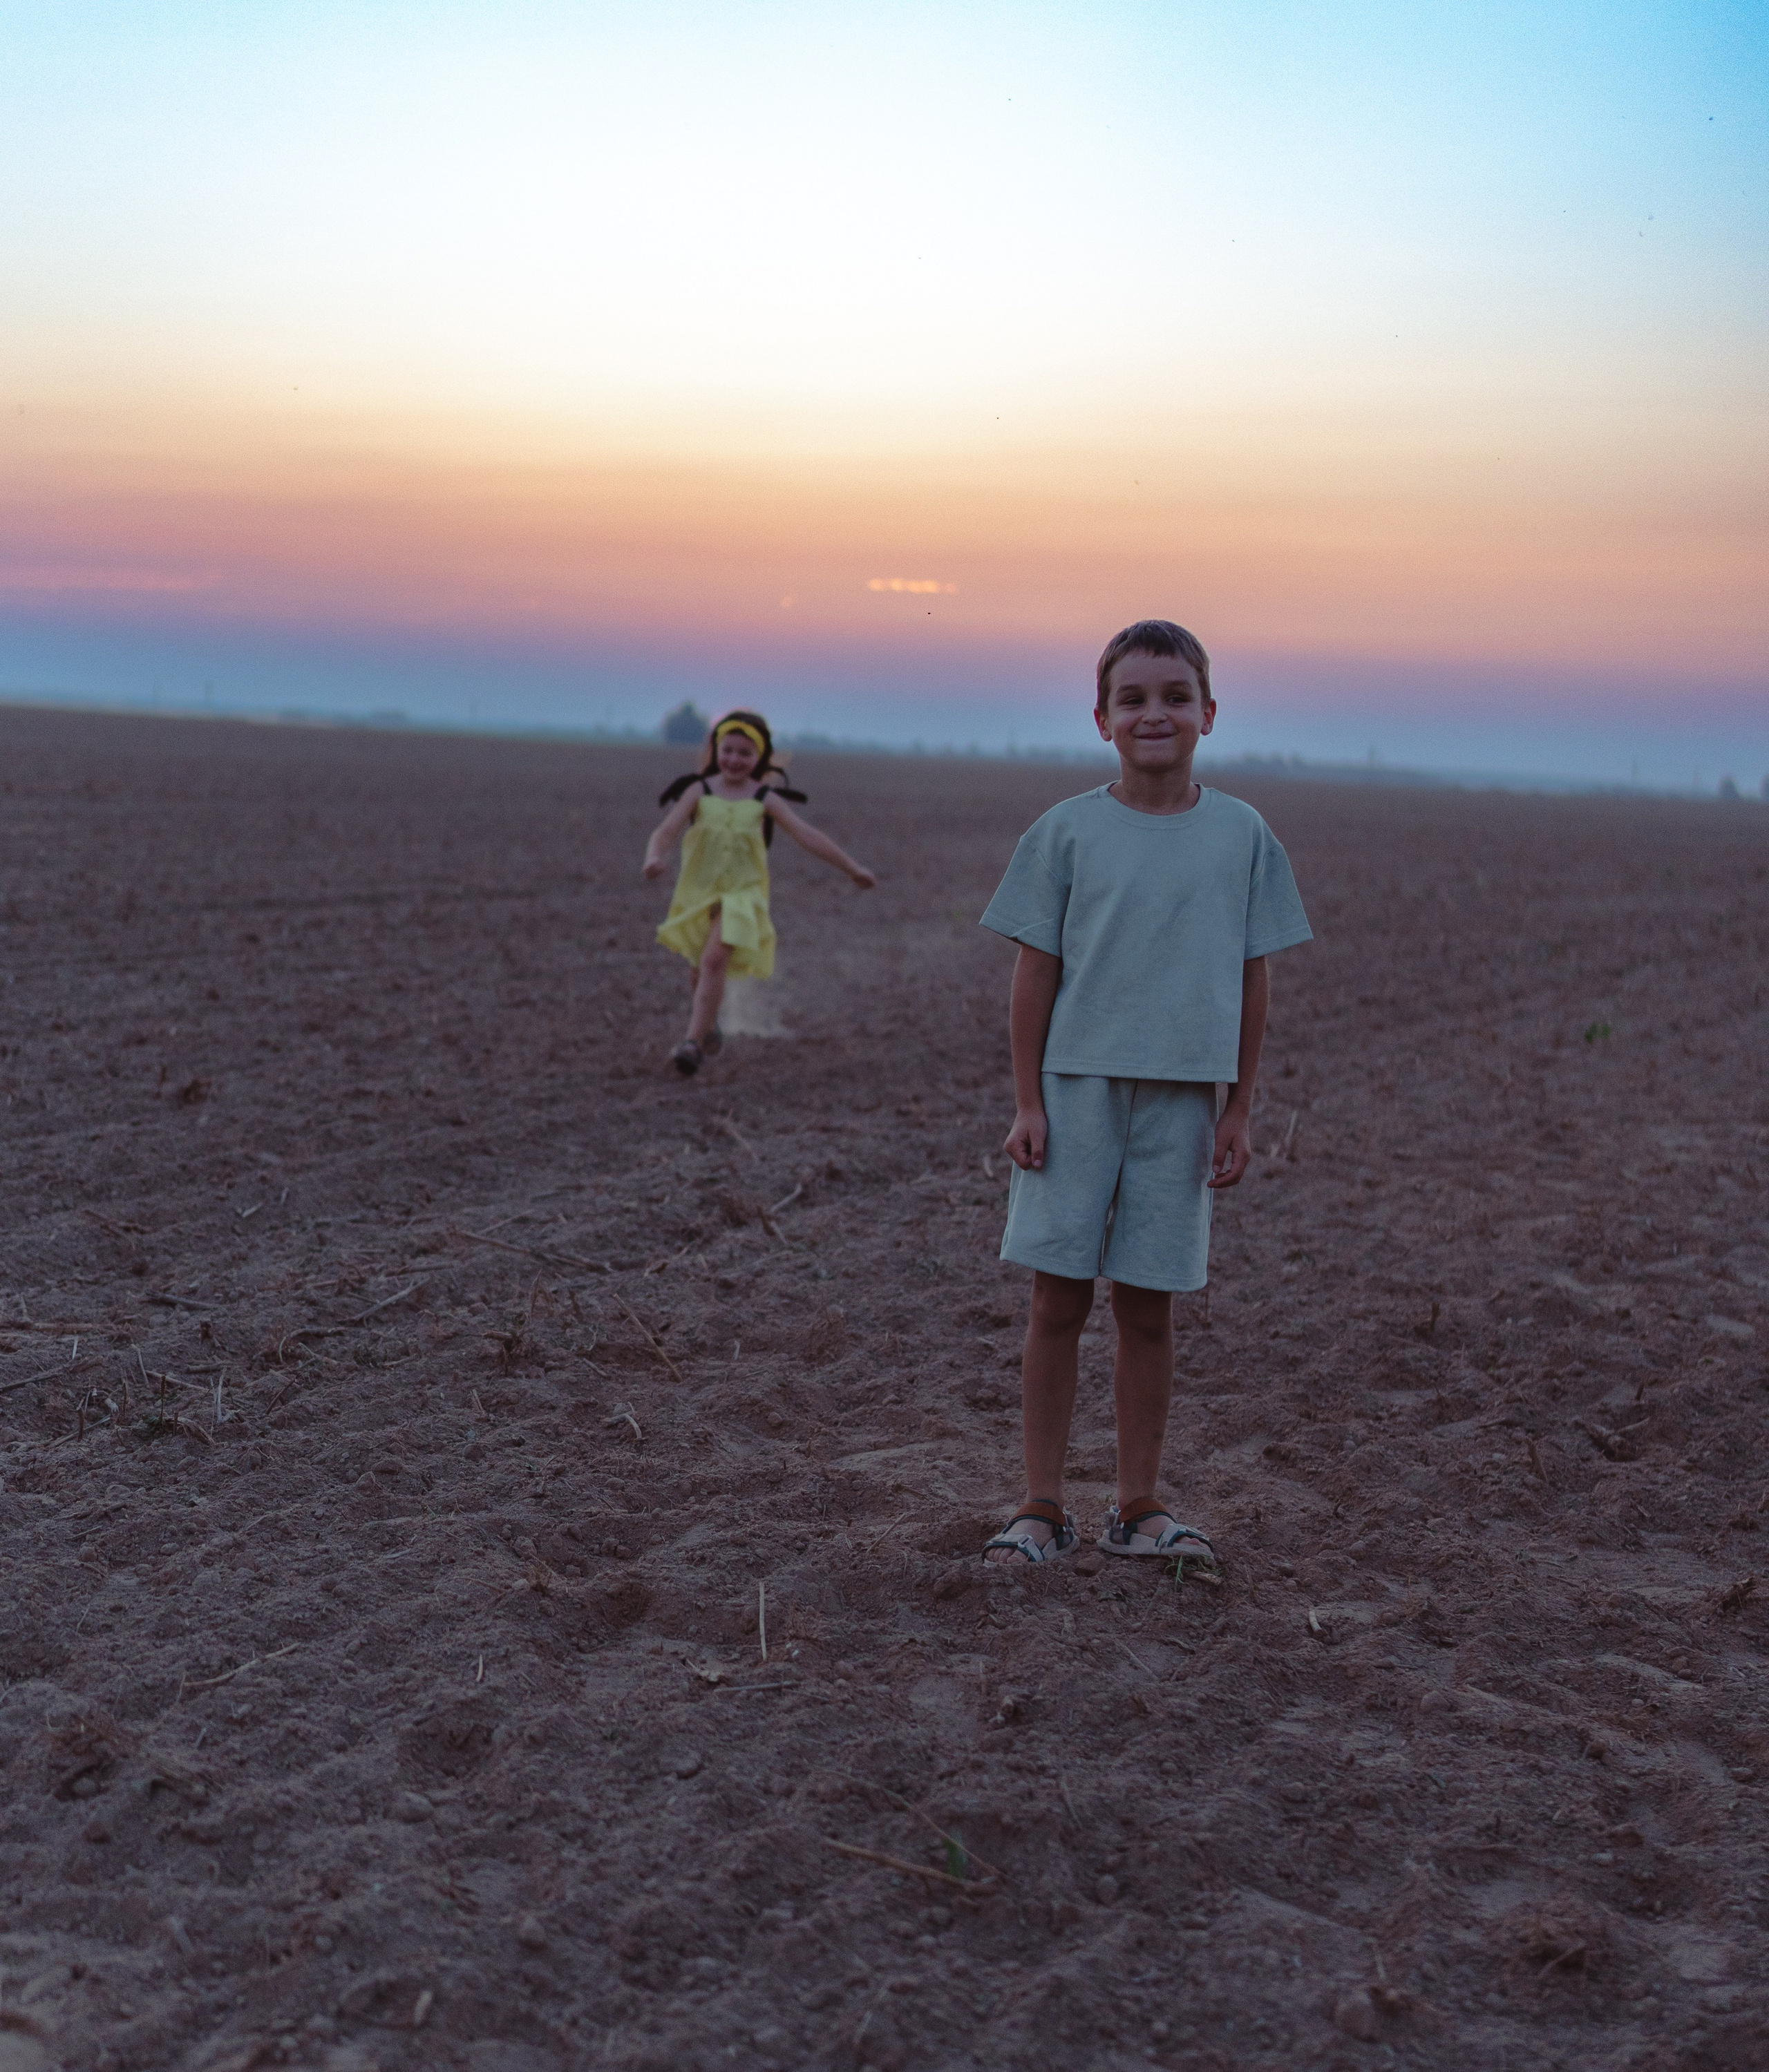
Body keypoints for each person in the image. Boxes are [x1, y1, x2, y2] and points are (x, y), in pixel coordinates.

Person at [978, 620, 1312, 1566]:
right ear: (1101, 719)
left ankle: (1139, 1505)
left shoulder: (1242, 834)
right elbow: (1033, 974)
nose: (1154, 713)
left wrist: (1240, 1108)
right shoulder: (1066, 831)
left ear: (1209, 712)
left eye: (1174, 696)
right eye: (1133, 698)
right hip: (1073, 1092)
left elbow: (1254, 980)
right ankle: (1040, 1505)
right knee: (1056, 1300)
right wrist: (1028, 1101)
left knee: (1149, 1308)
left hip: (1182, 1105)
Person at [643, 710, 877, 1074]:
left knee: (714, 959)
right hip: (697, 894)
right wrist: (654, 857)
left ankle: (690, 1044)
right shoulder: (698, 791)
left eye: (745, 753)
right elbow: (665, 831)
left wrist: (853, 869)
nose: (735, 759)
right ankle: (707, 1025)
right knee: (698, 968)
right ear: (715, 750)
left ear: (761, 758)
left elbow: (807, 835)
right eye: (729, 750)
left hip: (743, 896)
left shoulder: (764, 798)